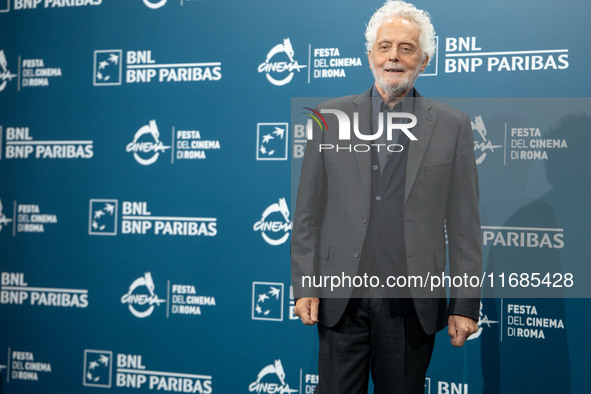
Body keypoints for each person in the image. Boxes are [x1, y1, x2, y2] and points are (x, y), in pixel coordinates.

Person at [290, 1, 482, 393]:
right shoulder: (328, 118)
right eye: (385, 46)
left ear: (424, 60)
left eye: (406, 48)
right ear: (370, 55)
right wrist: (306, 283)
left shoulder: (453, 126)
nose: (394, 56)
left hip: (410, 303)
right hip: (340, 299)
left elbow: (464, 225)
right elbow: (308, 212)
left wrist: (464, 302)